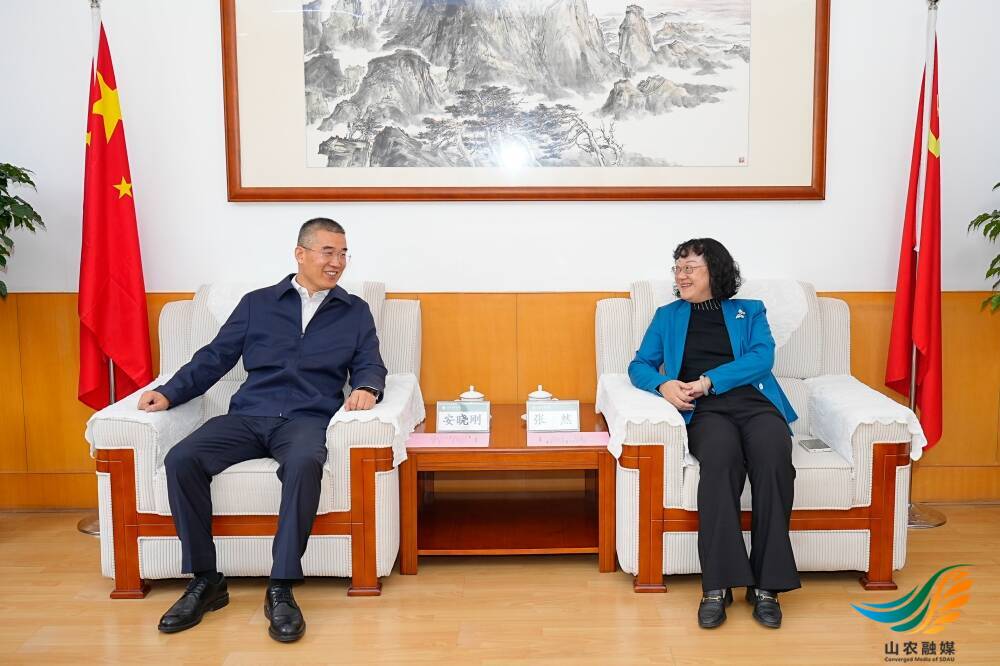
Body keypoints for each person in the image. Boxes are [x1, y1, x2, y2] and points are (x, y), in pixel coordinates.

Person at [137, 217, 386, 642]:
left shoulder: (354, 311)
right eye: (328, 252)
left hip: (308, 418)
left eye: (343, 253)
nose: (337, 262)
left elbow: (370, 362)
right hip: (249, 415)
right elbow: (216, 356)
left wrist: (366, 387)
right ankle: (205, 581)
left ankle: (281, 587)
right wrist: (169, 392)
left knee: (304, 463)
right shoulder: (258, 303)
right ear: (300, 254)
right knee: (182, 458)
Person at [628, 238, 799, 629]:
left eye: (690, 267)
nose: (681, 275)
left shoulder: (750, 311)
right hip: (704, 411)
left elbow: (762, 358)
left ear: (715, 271)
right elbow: (639, 365)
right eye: (677, 268)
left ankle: (767, 586)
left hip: (755, 404)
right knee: (720, 460)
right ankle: (717, 585)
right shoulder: (667, 316)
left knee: (774, 456)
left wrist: (709, 380)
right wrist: (662, 385)